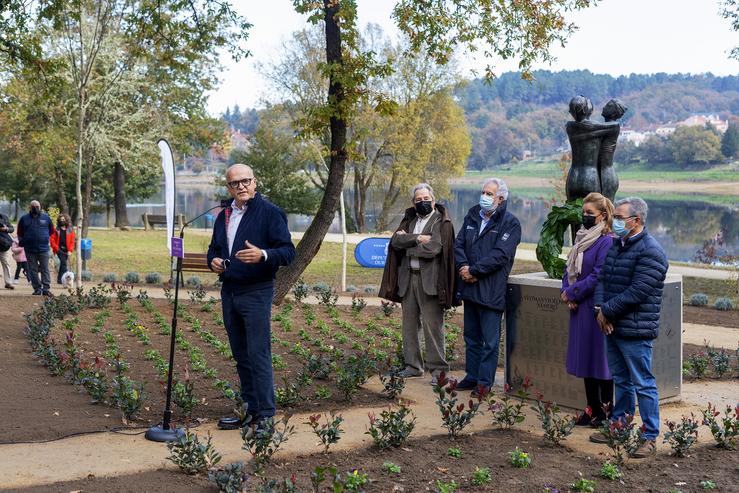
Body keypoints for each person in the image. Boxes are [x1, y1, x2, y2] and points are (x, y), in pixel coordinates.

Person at [207, 164, 296, 430]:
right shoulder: (224, 215)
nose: (241, 186)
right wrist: (213, 261)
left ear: (254, 182)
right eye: (235, 183)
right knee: (240, 354)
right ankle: (250, 410)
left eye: (245, 181)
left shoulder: (270, 213)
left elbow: (288, 252)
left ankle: (266, 416)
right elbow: (213, 249)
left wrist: (263, 255)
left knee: (258, 353)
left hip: (257, 291)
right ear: (229, 188)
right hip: (230, 291)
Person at [590, 197, 668, 459]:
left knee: (643, 383)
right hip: (612, 326)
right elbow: (602, 279)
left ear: (636, 221)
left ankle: (649, 436)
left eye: (620, 218)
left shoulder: (651, 251)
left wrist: (607, 311)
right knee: (621, 381)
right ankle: (619, 427)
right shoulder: (617, 244)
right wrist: (600, 310)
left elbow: (638, 292)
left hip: (635, 330)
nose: (615, 221)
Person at [379, 183, 456, 384]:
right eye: (418, 200)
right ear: (413, 203)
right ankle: (413, 366)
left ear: (433, 199)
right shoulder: (410, 219)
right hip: (408, 278)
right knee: (409, 326)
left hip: (429, 281)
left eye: (426, 199)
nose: (422, 202)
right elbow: (395, 241)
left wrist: (409, 244)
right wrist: (419, 238)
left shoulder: (441, 221)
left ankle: (438, 371)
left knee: (433, 327)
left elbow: (435, 248)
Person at [454, 178, 521, 395]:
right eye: (483, 192)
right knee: (471, 338)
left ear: (500, 198)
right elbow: (459, 244)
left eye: (489, 194)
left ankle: (484, 383)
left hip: (491, 290)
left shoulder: (510, 223)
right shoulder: (472, 216)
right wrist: (464, 266)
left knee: (490, 342)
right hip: (470, 288)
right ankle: (472, 376)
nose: (484, 196)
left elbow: (501, 255)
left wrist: (474, 271)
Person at [561, 192, 615, 427]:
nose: (585, 217)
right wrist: (567, 292)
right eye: (583, 213)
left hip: (595, 307)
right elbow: (569, 267)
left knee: (600, 362)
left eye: (589, 214)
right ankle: (591, 409)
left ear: (602, 216)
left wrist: (574, 292)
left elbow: (598, 275)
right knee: (585, 361)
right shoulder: (581, 238)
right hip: (579, 308)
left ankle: (606, 411)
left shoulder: (607, 241)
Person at [17, 200, 54, 296]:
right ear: (30, 207)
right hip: (29, 249)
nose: (35, 207)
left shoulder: (46, 218)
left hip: (43, 249)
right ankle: (37, 289)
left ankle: (46, 289)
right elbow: (20, 233)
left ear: (40, 207)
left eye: (37, 206)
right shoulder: (24, 219)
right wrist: (23, 241)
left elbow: (51, 230)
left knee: (45, 268)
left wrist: (44, 238)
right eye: (33, 206)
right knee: (32, 269)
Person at [50, 213, 76, 285]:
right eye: (60, 220)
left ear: (66, 220)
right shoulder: (56, 230)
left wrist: (70, 250)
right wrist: (56, 248)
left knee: (62, 263)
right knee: (64, 262)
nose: (62, 221)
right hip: (59, 249)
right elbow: (52, 240)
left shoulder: (70, 230)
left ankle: (59, 279)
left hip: (67, 250)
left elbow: (72, 241)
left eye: (63, 219)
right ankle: (66, 279)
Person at [0, 212, 15, 290]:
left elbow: (12, 228)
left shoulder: (4, 217)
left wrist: (6, 229)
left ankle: (8, 282)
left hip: (3, 245)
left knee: (6, 263)